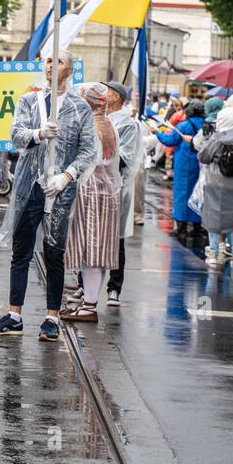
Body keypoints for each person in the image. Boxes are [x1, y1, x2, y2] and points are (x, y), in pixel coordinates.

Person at [0, 50, 97, 342]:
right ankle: (14, 315)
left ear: (70, 69)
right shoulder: (29, 101)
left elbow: (88, 151)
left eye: (57, 61)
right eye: (48, 61)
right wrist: (37, 134)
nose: (50, 66)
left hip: (59, 190)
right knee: (20, 250)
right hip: (28, 187)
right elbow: (16, 134)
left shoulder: (79, 108)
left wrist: (66, 176)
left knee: (53, 253)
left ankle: (51, 317)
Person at [59, 83, 121, 322]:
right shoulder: (109, 124)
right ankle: (90, 302)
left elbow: (86, 159)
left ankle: (89, 305)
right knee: (98, 247)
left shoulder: (91, 125)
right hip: (105, 186)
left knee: (91, 248)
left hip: (90, 185)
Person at [195, 104, 233, 267]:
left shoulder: (217, 137)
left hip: (217, 184)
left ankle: (213, 253)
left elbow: (203, 156)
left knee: (214, 219)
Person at [105, 82, 143, 306]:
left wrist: (100, 156)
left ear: (117, 97)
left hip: (116, 187)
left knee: (116, 239)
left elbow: (123, 158)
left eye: (108, 91)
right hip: (94, 186)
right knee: (91, 236)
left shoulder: (127, 124)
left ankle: (114, 288)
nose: (103, 95)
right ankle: (83, 285)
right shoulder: (99, 118)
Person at [154, 99, 205, 245]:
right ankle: (197, 226)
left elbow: (170, 140)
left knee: (182, 194)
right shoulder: (207, 126)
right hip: (201, 165)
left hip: (184, 165)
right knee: (198, 194)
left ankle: (182, 227)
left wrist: (157, 132)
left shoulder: (183, 125)